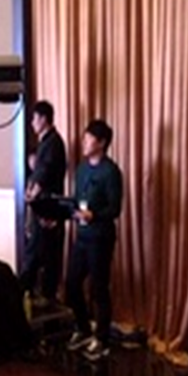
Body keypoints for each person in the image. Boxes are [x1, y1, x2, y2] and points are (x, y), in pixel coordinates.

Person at [66, 119, 123, 361]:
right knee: (71, 284)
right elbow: (76, 198)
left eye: (88, 139)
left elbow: (115, 208)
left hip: (100, 238)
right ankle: (83, 328)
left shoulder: (111, 172)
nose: (84, 142)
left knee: (99, 288)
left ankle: (102, 339)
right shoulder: (81, 169)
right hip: (82, 236)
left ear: (101, 143)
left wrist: (94, 215)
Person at [19, 100, 67, 305]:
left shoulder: (53, 142)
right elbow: (39, 170)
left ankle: (28, 295)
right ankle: (37, 295)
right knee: (43, 253)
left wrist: (32, 193)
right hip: (43, 208)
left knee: (39, 255)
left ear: (44, 119)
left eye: (35, 118)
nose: (32, 123)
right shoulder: (46, 143)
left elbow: (45, 172)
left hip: (48, 209)